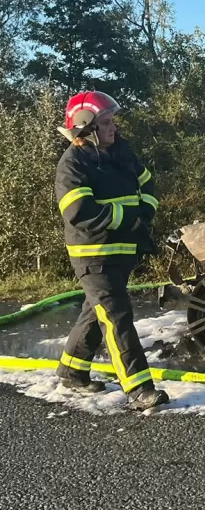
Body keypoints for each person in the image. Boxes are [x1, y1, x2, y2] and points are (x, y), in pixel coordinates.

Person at [54, 91, 169, 411]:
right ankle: (138, 388)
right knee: (117, 316)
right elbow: (79, 211)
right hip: (94, 255)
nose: (113, 127)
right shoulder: (72, 164)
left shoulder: (121, 152)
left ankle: (72, 370)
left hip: (122, 251)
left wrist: (144, 213)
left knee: (96, 311)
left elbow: (147, 184)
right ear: (85, 126)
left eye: (112, 121)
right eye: (106, 122)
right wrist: (128, 220)